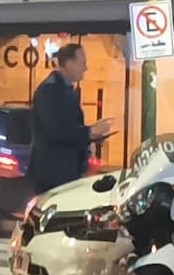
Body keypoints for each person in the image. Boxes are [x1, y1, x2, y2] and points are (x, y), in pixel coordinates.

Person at [28, 43, 113, 195]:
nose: (85, 68)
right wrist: (88, 132)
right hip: (53, 175)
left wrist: (91, 134)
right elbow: (54, 130)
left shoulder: (61, 89)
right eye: (83, 63)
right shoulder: (50, 90)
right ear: (68, 63)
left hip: (63, 173)